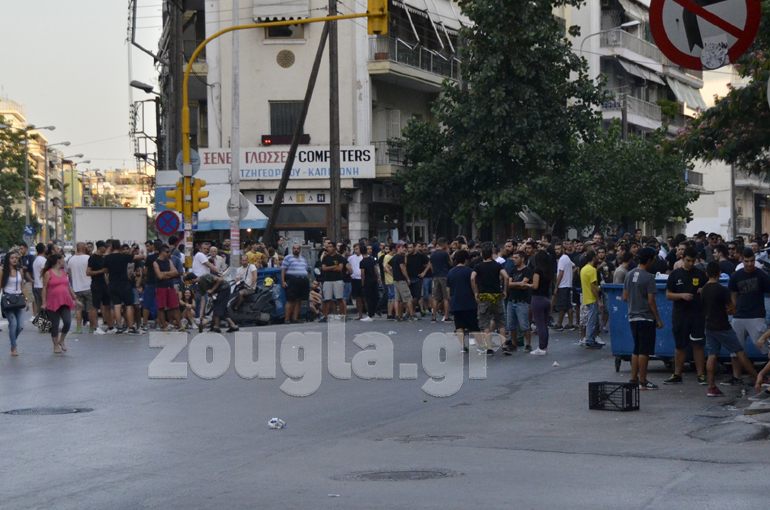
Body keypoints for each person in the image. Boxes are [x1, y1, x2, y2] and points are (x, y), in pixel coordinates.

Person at [702, 261, 758, 397]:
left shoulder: (703, 289)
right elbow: (732, 308)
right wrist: (729, 310)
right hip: (723, 326)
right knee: (740, 352)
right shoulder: (722, 289)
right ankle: (758, 377)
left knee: (712, 355)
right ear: (720, 273)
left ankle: (711, 387)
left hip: (709, 326)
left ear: (707, 274)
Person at [726, 247, 770, 384]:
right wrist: (732, 310)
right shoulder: (736, 276)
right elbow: (733, 295)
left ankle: (765, 374)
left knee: (764, 346)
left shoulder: (762, 275)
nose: (749, 264)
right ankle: (736, 376)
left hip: (757, 316)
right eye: (747, 261)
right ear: (742, 260)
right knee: (735, 349)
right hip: (739, 316)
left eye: (752, 261)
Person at [665, 246, 707, 384]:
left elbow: (709, 290)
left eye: (693, 261)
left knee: (698, 345)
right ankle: (677, 374)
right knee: (680, 345)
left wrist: (703, 290)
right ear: (682, 258)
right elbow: (668, 295)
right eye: (688, 260)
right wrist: (681, 295)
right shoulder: (675, 274)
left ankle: (701, 374)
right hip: (680, 314)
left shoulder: (701, 274)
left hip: (697, 314)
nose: (691, 263)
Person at [623, 248, 663, 390]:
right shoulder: (648, 277)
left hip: (632, 316)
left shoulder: (629, 274)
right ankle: (643, 380)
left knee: (636, 348)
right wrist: (658, 319)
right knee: (644, 350)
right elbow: (651, 301)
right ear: (650, 260)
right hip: (646, 317)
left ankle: (633, 378)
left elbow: (624, 297)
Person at [471, 243, 508, 356]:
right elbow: (506, 276)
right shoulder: (497, 265)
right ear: (492, 254)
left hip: (484, 297)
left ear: (482, 255)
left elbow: (472, 278)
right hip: (496, 296)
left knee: (485, 323)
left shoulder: (478, 266)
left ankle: (489, 348)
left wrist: (475, 292)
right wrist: (505, 290)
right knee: (500, 322)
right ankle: (504, 346)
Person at [41, 254, 81, 353]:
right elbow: (44, 288)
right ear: (58, 260)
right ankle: (55, 346)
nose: (64, 261)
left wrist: (75, 298)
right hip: (53, 301)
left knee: (67, 322)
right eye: (63, 259)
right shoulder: (48, 273)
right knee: (55, 324)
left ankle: (61, 340)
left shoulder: (63, 272)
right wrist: (44, 302)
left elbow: (68, 286)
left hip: (65, 300)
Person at [104, 239, 144, 335]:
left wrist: (109, 249)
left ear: (111, 247)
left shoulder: (107, 258)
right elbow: (140, 257)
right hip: (124, 284)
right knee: (128, 305)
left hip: (113, 284)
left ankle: (119, 328)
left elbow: (106, 270)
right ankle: (131, 327)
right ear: (120, 247)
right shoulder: (124, 257)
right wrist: (140, 252)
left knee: (117, 306)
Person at [446, 250, 479, 353]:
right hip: (469, 301)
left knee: (459, 324)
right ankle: (481, 345)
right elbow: (474, 284)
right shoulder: (469, 271)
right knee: (474, 324)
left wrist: (451, 298)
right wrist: (476, 295)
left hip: (456, 301)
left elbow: (448, 288)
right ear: (466, 259)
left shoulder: (451, 272)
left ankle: (463, 346)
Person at [504, 250, 533, 353]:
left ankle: (528, 344)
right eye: (513, 258)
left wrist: (515, 284)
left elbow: (524, 283)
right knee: (511, 325)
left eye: (516, 258)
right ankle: (514, 344)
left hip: (522, 301)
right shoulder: (512, 270)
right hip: (511, 300)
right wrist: (518, 284)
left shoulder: (527, 270)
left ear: (522, 259)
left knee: (524, 324)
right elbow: (508, 284)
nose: (514, 260)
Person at [1, 250, 27, 356]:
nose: (14, 260)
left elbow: (22, 286)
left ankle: (13, 341)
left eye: (16, 258)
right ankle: (14, 347)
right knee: (13, 324)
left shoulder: (19, 271)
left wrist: (26, 299)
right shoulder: (3, 271)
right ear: (8, 260)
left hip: (19, 299)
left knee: (20, 326)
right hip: (7, 300)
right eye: (12, 258)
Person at [67, 242, 94, 334]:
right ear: (83, 248)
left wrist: (75, 281)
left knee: (78, 309)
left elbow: (69, 274)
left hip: (77, 288)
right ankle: (91, 327)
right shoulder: (88, 258)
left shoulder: (71, 260)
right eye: (86, 247)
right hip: (88, 286)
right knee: (90, 309)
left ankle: (79, 328)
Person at [153, 244, 181, 331]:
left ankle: (180, 325)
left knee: (175, 306)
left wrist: (165, 273)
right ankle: (164, 326)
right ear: (162, 252)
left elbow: (175, 272)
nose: (169, 253)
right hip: (161, 287)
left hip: (170, 286)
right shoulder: (156, 262)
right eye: (167, 252)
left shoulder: (169, 261)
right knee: (161, 307)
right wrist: (170, 275)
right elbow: (159, 276)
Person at [87, 241, 112, 334]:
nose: (105, 249)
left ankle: (110, 326)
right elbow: (88, 272)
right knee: (95, 306)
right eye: (105, 247)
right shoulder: (93, 258)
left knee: (107, 305)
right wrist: (101, 271)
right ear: (100, 247)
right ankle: (96, 328)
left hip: (104, 284)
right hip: (96, 284)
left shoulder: (103, 258)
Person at [581, 251, 604, 349]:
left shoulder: (583, 269)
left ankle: (590, 339)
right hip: (592, 298)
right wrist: (599, 300)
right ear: (594, 258)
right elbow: (593, 286)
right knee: (592, 320)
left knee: (592, 319)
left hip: (586, 296)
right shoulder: (592, 270)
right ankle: (589, 340)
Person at [281, 244, 309, 323]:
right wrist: (283, 281)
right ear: (292, 249)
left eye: (297, 249)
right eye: (294, 248)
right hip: (292, 280)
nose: (296, 250)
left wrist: (307, 279)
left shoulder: (303, 259)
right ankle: (287, 319)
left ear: (300, 250)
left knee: (299, 300)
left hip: (303, 281)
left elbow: (306, 270)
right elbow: (283, 270)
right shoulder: (287, 258)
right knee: (291, 300)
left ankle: (295, 318)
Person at [389, 243, 418, 321]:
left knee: (397, 299)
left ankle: (398, 315)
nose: (404, 249)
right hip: (401, 280)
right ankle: (412, 315)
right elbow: (403, 268)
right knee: (408, 298)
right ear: (398, 249)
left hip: (395, 280)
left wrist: (392, 274)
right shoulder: (400, 257)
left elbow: (386, 267)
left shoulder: (394, 257)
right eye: (402, 248)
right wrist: (407, 278)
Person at [320, 241, 347, 322]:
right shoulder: (325, 258)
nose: (329, 248)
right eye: (328, 247)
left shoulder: (339, 257)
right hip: (327, 280)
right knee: (327, 299)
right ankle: (326, 316)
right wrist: (334, 267)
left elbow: (340, 268)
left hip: (337, 279)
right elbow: (324, 268)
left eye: (330, 247)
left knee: (339, 298)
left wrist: (329, 268)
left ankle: (343, 315)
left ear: (334, 248)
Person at [428, 238, 453, 323]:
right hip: (444, 276)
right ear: (445, 244)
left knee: (435, 298)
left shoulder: (433, 254)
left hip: (436, 276)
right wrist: (448, 253)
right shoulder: (444, 253)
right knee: (446, 297)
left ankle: (434, 317)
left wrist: (434, 273)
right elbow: (451, 263)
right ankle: (446, 317)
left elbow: (431, 265)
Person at [553, 243, 575, 331]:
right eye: (555, 249)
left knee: (561, 306)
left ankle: (559, 324)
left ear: (562, 249)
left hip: (562, 285)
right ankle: (570, 323)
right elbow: (574, 266)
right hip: (568, 284)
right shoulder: (567, 258)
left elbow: (560, 273)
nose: (557, 251)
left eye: (558, 249)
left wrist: (556, 286)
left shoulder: (562, 259)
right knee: (568, 305)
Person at [359, 242, 379, 322]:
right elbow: (375, 269)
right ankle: (373, 312)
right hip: (373, 279)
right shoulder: (371, 259)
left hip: (367, 281)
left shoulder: (362, 262)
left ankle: (370, 314)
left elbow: (362, 274)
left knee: (368, 298)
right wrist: (377, 277)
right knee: (374, 297)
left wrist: (362, 284)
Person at [348, 243, 365, 320]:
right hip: (355, 279)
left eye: (357, 249)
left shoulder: (363, 257)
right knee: (358, 297)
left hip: (362, 278)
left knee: (365, 296)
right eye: (354, 249)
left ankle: (369, 313)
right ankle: (360, 314)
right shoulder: (351, 258)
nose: (356, 250)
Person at [32, 243, 47, 324]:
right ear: (44, 249)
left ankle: (41, 325)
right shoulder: (43, 260)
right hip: (42, 286)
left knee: (40, 306)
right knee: (46, 306)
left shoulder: (36, 260)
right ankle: (47, 325)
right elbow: (45, 274)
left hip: (37, 285)